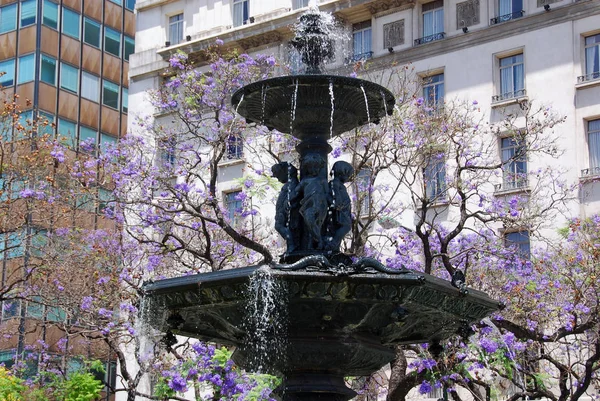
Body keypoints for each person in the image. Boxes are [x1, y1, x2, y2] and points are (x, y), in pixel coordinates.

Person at [291, 154, 330, 250]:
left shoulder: (322, 180)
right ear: (307, 168)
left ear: (319, 167)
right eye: (310, 167)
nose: (313, 170)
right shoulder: (305, 181)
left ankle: (311, 245)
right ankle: (319, 240)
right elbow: (295, 192)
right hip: (308, 205)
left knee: (318, 224)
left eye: (316, 167)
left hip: (321, 205)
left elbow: (328, 194)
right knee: (309, 222)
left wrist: (333, 203)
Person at [271, 162, 300, 253]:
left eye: (278, 175)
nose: (278, 179)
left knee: (279, 226)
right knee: (280, 226)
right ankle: (291, 245)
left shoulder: (293, 183)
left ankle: (292, 244)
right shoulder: (289, 184)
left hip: (285, 211)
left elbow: (294, 195)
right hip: (282, 211)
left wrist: (289, 203)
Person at [326, 161, 353, 251]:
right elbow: (335, 195)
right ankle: (333, 244)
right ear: (342, 173)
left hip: (344, 210)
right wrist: (336, 203)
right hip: (340, 211)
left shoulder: (339, 184)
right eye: (348, 175)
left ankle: (335, 246)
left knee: (343, 227)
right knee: (346, 226)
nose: (349, 178)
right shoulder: (335, 183)